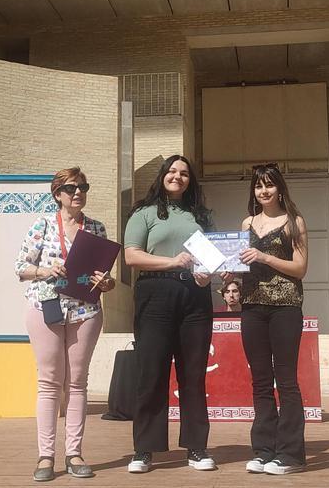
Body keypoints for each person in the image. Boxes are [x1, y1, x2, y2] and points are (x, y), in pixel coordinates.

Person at [14, 167, 115, 482]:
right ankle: (46, 456)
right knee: (49, 382)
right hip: (47, 307)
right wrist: (45, 271)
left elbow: (103, 275)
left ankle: (74, 453)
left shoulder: (96, 228)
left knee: (77, 382)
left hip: (85, 310)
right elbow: (20, 266)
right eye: (71, 188)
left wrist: (107, 283)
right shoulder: (42, 226)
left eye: (83, 187)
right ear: (57, 193)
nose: (78, 193)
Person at [123, 155, 217, 473]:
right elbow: (132, 256)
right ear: (163, 176)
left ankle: (197, 448)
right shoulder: (143, 212)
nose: (178, 176)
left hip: (195, 297)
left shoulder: (200, 215)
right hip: (155, 294)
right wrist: (172, 262)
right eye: (172, 171)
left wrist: (207, 274)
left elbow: (211, 259)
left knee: (193, 375)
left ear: (191, 180)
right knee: (151, 373)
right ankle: (144, 450)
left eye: (185, 173)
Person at [230, 162, 309, 475]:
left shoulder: (294, 222)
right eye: (258, 186)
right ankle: (264, 450)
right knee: (260, 380)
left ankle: (291, 454)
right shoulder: (247, 222)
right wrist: (229, 272)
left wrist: (264, 257)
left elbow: (301, 268)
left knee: (286, 380)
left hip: (286, 307)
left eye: (269, 185)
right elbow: (240, 263)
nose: (264, 191)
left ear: (279, 188)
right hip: (252, 308)